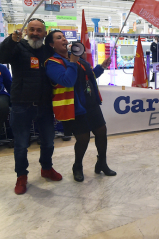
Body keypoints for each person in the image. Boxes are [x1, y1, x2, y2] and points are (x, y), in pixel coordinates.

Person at [0, 18, 62, 195]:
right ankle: (21, 176)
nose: (35, 33)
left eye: (39, 30)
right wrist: (10, 40)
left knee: (48, 141)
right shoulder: (17, 47)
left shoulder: (49, 50)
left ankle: (46, 168)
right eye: (32, 29)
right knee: (21, 144)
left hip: (45, 104)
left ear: (45, 34)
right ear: (26, 31)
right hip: (21, 104)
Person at [45, 30, 116, 182]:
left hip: (91, 103)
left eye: (64, 37)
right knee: (83, 139)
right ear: (52, 45)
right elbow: (67, 81)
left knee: (102, 132)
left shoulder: (78, 58)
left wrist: (101, 67)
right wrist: (72, 61)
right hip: (74, 107)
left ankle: (101, 163)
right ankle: (77, 166)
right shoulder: (52, 63)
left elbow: (89, 76)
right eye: (59, 38)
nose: (64, 39)